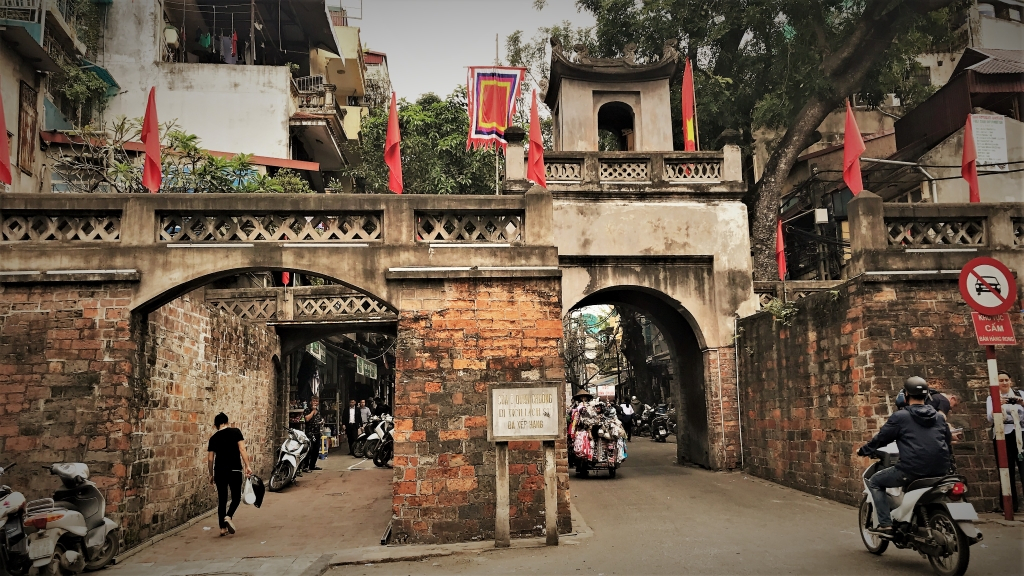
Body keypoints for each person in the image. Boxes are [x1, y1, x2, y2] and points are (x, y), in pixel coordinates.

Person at [857, 376, 952, 534]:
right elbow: (947, 440)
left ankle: (885, 524)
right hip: (941, 470)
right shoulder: (939, 417)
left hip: (912, 470)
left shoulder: (900, 417)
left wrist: (864, 450)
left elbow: (882, 438)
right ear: (927, 396)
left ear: (905, 395)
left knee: (874, 482)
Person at [207, 413, 252, 537]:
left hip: (220, 471)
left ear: (216, 425)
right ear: (227, 422)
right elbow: (242, 449)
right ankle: (228, 516)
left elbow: (210, 459)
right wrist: (247, 465)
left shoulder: (213, 438)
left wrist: (211, 474)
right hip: (235, 470)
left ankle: (222, 528)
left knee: (222, 500)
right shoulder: (236, 432)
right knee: (236, 497)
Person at [986, 370, 1024, 513]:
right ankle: (1009, 505)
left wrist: (1021, 402)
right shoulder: (992, 398)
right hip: (1003, 434)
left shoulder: (1020, 394)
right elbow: (990, 418)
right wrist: (997, 404)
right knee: (1005, 469)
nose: (1004, 383)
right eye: (1000, 380)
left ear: (1010, 381)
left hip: (1021, 433)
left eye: (1006, 380)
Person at [302, 395, 324, 472]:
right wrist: (312, 411)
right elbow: (307, 419)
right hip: (309, 433)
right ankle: (305, 466)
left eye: (316, 401)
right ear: (310, 402)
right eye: (314, 401)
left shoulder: (318, 411)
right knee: (309, 450)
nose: (315, 403)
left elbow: (320, 419)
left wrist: (321, 422)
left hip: (317, 433)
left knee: (316, 450)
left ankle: (312, 465)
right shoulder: (307, 410)